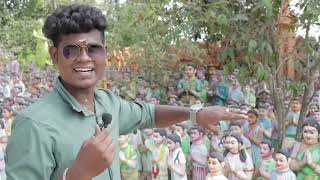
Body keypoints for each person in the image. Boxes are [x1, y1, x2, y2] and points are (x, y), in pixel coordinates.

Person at [5, 4, 247, 180]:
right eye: (70, 50)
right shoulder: (34, 124)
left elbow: (149, 114)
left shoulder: (108, 102)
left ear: (105, 53)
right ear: (55, 55)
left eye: (93, 49)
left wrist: (195, 114)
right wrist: (76, 175)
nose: (84, 58)